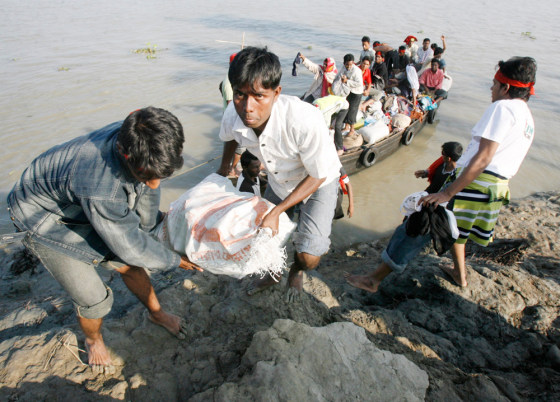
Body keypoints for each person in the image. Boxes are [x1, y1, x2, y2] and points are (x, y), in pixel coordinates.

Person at [6, 107, 203, 373]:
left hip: (74, 196)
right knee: (93, 298)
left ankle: (157, 314)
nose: (156, 185)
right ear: (125, 154)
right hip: (40, 215)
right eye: (147, 176)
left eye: (162, 175)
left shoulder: (139, 135)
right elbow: (130, 246)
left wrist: (153, 223)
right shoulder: (102, 189)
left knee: (131, 260)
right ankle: (93, 339)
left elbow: (145, 200)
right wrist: (172, 259)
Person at [345, 56, 536, 292]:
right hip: (496, 188)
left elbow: (485, 157)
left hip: (477, 182)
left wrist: (447, 192)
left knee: (420, 222)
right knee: (457, 228)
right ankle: (460, 274)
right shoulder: (527, 116)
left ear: (506, 87)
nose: (491, 88)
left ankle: (374, 280)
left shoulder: (502, 107)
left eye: (495, 84)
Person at [217, 46, 342, 302]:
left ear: (276, 93)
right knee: (265, 238)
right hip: (279, 179)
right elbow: (230, 138)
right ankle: (274, 273)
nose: (247, 107)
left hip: (318, 181)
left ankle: (296, 271)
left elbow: (317, 175)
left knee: (309, 256)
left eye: (258, 96)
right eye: (240, 94)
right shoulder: (233, 112)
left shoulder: (304, 120)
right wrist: (221, 174)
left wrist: (275, 212)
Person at [332, 53, 364, 138]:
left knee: (352, 110)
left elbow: (359, 84)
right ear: (344, 63)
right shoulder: (344, 68)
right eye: (347, 64)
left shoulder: (356, 71)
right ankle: (346, 127)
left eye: (350, 64)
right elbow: (339, 75)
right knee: (346, 107)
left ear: (353, 63)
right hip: (348, 91)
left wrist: (346, 81)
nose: (349, 66)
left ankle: (352, 130)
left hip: (357, 92)